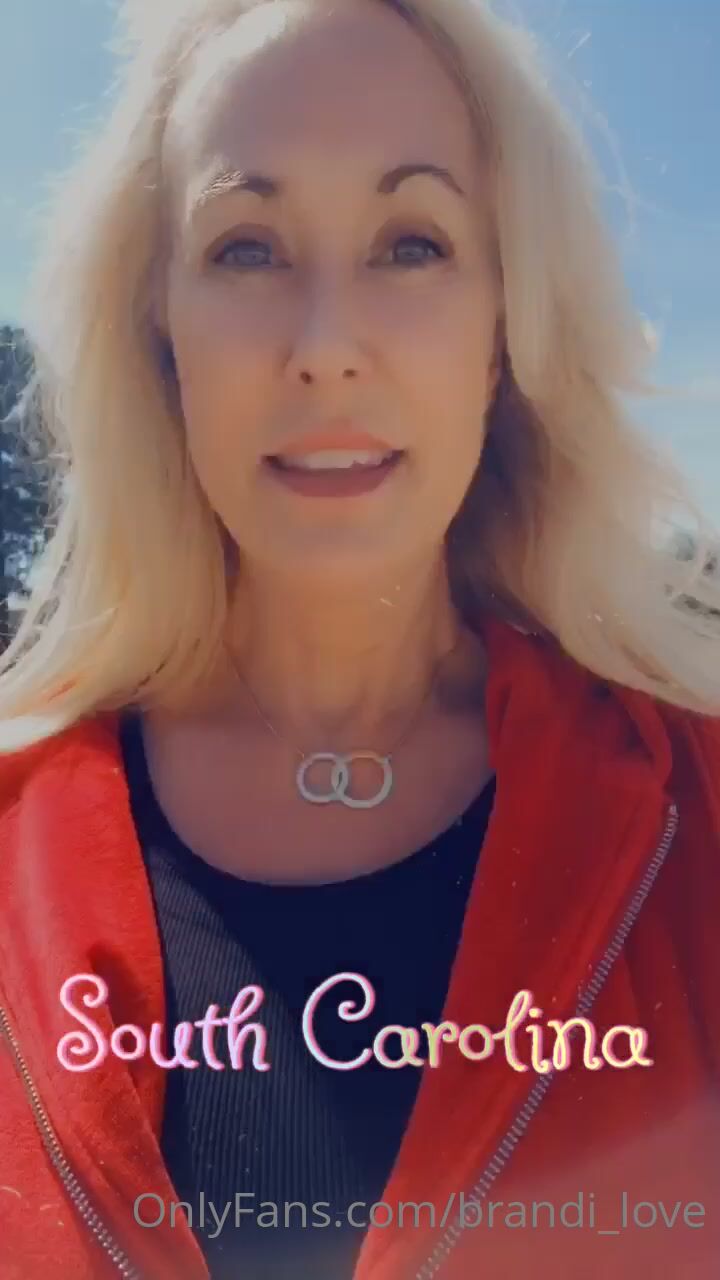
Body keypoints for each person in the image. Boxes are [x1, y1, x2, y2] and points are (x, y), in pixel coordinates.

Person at [1, 0, 719, 1276]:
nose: (327, 348)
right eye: (246, 248)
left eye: (412, 243)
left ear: (504, 331)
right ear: (159, 329)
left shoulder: (696, 813)